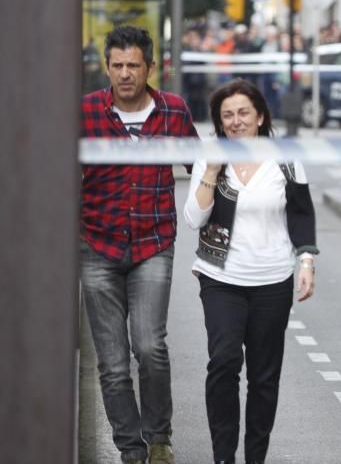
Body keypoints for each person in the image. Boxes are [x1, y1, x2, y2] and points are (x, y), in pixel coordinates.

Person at [80, 26, 199, 464]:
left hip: (153, 244)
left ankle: (159, 438)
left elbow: (201, 168)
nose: (125, 74)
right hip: (98, 245)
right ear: (106, 67)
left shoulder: (173, 111)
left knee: (149, 347)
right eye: (117, 66)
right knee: (111, 363)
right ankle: (131, 450)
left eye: (133, 65)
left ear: (150, 67)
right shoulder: (86, 112)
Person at [184, 79, 318, 464]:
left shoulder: (286, 158)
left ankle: (255, 457)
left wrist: (306, 261)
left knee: (263, 376)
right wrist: (211, 169)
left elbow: (301, 214)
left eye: (244, 112)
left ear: (260, 115)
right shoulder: (211, 157)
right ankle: (223, 456)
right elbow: (194, 218)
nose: (236, 121)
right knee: (223, 362)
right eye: (227, 115)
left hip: (272, 281)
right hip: (221, 279)